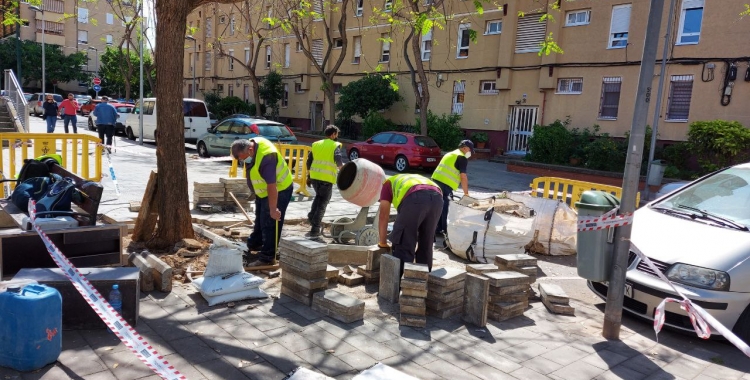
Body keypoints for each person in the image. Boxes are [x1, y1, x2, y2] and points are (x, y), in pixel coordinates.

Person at [231, 137, 294, 267]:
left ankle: (267, 257)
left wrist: (272, 208)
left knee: (270, 222)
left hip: (280, 189)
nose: (243, 161)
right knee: (260, 218)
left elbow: (272, 186)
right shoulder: (251, 144)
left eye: (242, 158)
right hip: (263, 191)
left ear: (250, 149)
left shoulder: (267, 157)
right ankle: (256, 243)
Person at [378, 174, 443, 275]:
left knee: (404, 240)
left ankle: (400, 282)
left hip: (415, 197)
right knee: (426, 242)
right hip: (437, 198)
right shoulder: (408, 178)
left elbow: (383, 216)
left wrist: (382, 242)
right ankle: (422, 283)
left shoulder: (387, 184)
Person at [306, 125, 344, 237]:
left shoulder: (316, 144)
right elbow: (338, 160)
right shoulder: (335, 145)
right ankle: (315, 228)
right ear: (333, 134)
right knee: (323, 203)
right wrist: (343, 171)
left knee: (318, 197)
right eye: (336, 134)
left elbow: (309, 162)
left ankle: (312, 216)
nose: (337, 136)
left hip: (314, 178)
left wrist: (309, 176)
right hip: (326, 180)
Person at [431, 139, 474, 236]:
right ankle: (444, 230)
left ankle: (437, 228)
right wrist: (466, 194)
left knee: (438, 206)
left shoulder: (450, 154)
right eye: (470, 150)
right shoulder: (461, 157)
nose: (470, 153)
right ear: (464, 148)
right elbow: (463, 177)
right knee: (446, 207)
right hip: (445, 185)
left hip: (435, 181)